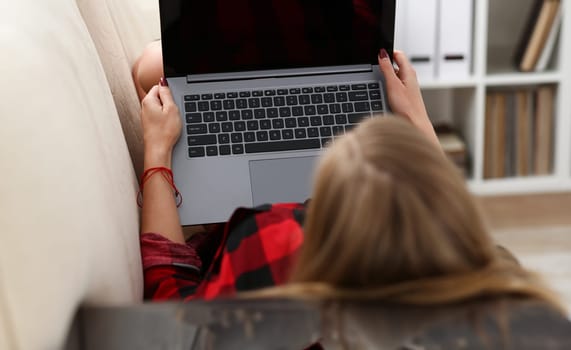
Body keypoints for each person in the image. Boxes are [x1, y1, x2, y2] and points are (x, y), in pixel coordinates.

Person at [136, 48, 563, 313]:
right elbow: (459, 230)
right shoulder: (477, 279)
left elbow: (172, 311)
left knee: (150, 69)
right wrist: (417, 117)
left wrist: (157, 152)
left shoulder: (275, 244)